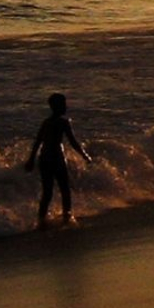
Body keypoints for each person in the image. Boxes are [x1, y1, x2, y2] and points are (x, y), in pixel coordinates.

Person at [25, 92, 91, 227]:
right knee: (65, 189)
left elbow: (38, 142)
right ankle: (67, 217)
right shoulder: (63, 122)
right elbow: (73, 142)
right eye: (63, 104)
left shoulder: (46, 122)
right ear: (58, 106)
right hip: (57, 159)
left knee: (47, 192)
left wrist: (31, 159)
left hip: (44, 159)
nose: (66, 106)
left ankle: (41, 220)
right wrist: (84, 155)